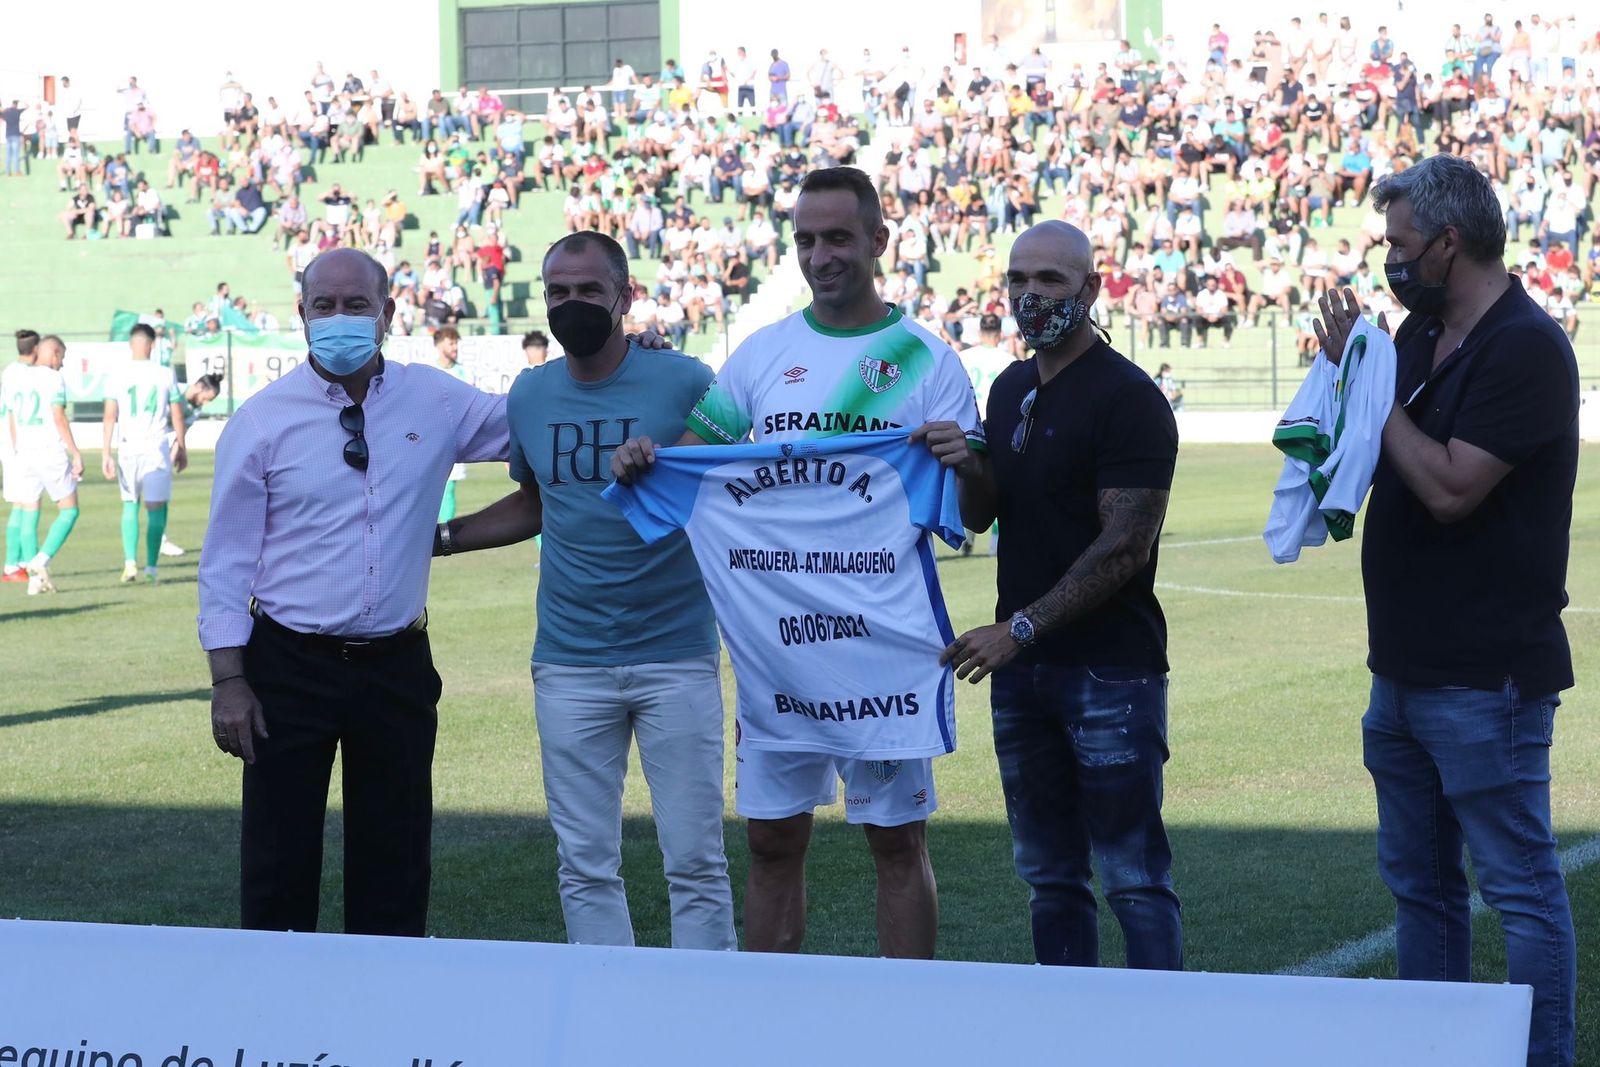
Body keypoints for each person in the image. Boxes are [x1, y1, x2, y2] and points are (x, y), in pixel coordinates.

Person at [612, 166, 988, 959]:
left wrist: (969, 462)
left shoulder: (927, 360)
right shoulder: (760, 355)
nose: (822, 256)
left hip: (880, 649)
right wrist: (649, 459)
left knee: (896, 842)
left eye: (839, 238)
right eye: (807, 240)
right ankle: (767, 1029)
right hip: (775, 651)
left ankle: (905, 1023)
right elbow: (696, 464)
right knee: (773, 843)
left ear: (879, 241)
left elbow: (977, 512)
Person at [1312, 153, 1578, 1067]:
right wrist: (1352, 374)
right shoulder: (1418, 337)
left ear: (1450, 244)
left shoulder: (1526, 347)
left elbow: (1453, 489)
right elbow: (1362, 454)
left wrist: (1374, 387)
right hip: (1405, 671)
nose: (1390, 261)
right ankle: (1432, 1054)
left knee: (1520, 889)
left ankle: (1539, 1055)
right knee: (1422, 891)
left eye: (1400, 245)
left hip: (1487, 677)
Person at [197, 248, 510, 936]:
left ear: (388, 313)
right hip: (288, 664)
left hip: (396, 665)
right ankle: (277, 1025)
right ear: (302, 315)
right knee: (278, 864)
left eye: (357, 305)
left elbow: (534, 427)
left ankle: (384, 1022)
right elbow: (225, 563)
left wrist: (621, 373)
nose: (340, 318)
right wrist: (229, 680)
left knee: (395, 863)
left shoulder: (436, 398)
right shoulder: (261, 421)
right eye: (325, 306)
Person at [443, 231, 736, 949]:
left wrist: (666, 464)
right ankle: (608, 1014)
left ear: (624, 297)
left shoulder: (686, 381)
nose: (571, 304)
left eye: (587, 291)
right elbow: (534, 503)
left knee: (696, 860)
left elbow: (732, 483)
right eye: (557, 292)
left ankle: (708, 1017)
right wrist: (441, 539)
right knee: (583, 864)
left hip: (675, 654)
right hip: (569, 660)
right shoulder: (531, 394)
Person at [939, 220, 1183, 971]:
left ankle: (1158, 1039)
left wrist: (1021, 627)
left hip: (1108, 669)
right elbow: (982, 515)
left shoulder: (1129, 398)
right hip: (1024, 675)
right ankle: (1071, 1034)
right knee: (1049, 878)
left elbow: (1124, 546)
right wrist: (965, 463)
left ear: (1091, 288)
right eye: (1018, 280)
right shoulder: (1011, 385)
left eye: (1050, 281)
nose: (1031, 295)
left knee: (1134, 878)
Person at [101, 324, 186, 583]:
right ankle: (151, 567)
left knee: (129, 503)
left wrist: (106, 452)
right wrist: (181, 444)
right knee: (155, 507)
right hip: (155, 446)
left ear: (131, 345)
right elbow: (176, 412)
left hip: (128, 446)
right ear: (151, 345)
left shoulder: (117, 374)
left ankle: (129, 564)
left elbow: (109, 415)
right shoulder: (164, 373)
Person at [7, 335, 83, 595]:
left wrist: (18, 448)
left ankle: (33, 579)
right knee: (69, 510)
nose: (61, 364)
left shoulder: (18, 377)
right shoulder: (53, 379)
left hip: (24, 451)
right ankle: (40, 561)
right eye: (61, 357)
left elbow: (13, 419)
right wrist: (75, 452)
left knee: (30, 511)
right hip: (49, 450)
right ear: (54, 352)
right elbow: (58, 417)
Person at [958, 313, 1015, 556]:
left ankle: (966, 534)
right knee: (998, 481)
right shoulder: (1009, 360)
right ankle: (994, 544)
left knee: (966, 479)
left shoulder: (962, 357)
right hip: (994, 426)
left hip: (966, 428)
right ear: (1000, 333)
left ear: (979, 332)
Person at [157, 373, 224, 558]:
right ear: (199, 387)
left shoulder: (195, 408)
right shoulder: (173, 389)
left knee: (161, 494)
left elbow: (181, 434)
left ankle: (160, 539)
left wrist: (171, 461)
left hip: (160, 444)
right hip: (146, 441)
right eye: (205, 398)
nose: (204, 402)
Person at [1, 330, 40, 583]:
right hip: (20, 444)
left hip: (9, 444)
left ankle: (14, 564)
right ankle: (26, 564)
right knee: (29, 503)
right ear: (36, 349)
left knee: (18, 503)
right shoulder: (29, 375)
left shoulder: (9, 371)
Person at [433, 327, 471, 523]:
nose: (455, 347)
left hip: (455, 439)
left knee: (449, 486)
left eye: (456, 342)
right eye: (451, 343)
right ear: (439, 345)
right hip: (432, 440)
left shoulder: (463, 372)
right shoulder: (429, 373)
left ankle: (441, 532)